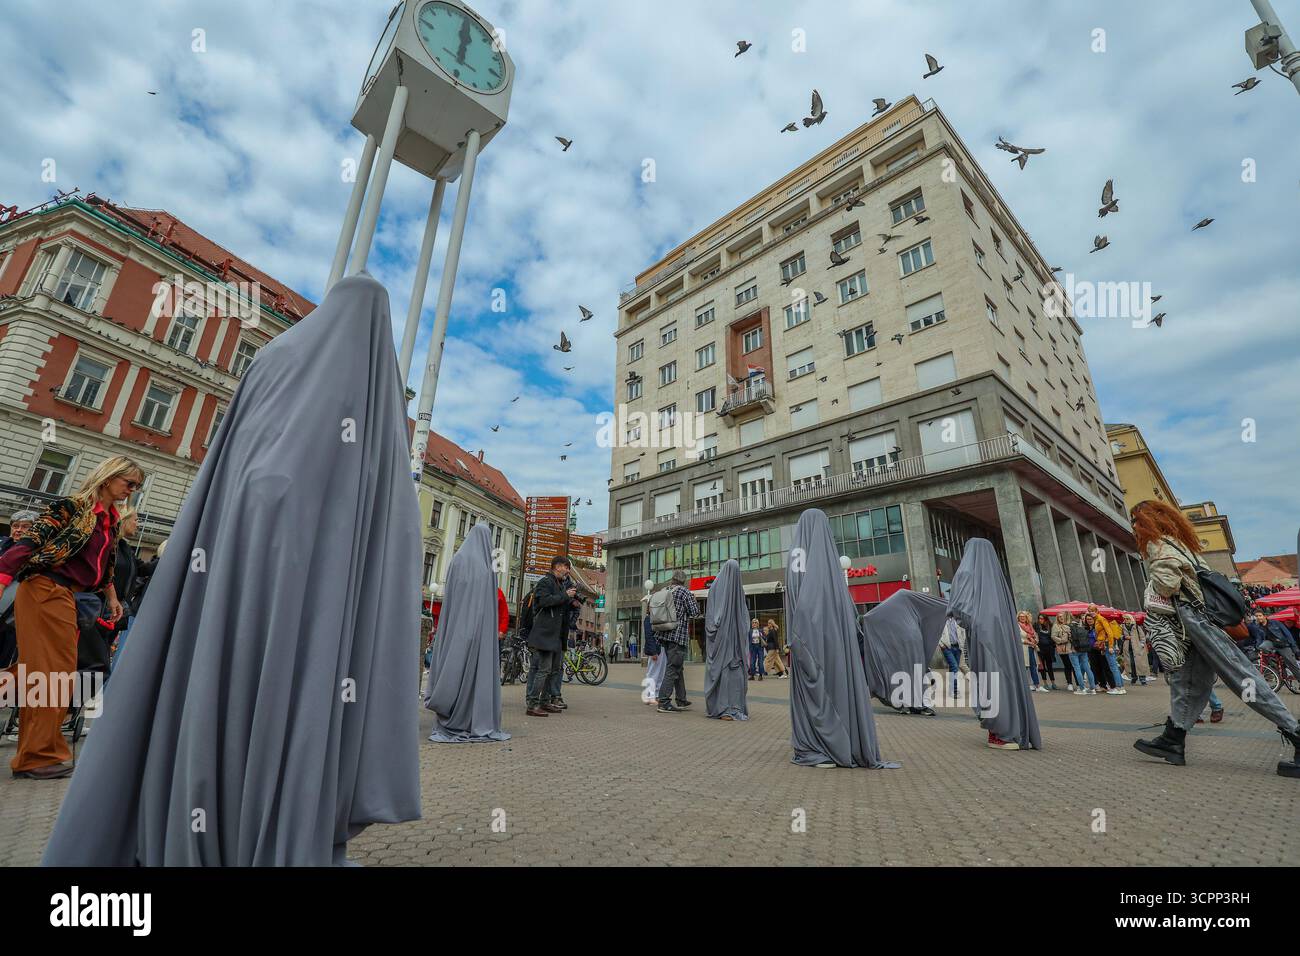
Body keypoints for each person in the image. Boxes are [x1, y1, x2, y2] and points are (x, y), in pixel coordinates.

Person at [42, 275, 423, 866]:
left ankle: (196, 806)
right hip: (306, 576)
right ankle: (274, 817)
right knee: (295, 677)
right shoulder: (371, 393)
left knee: (215, 671)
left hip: (229, 559)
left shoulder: (276, 359)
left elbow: (238, 466)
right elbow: (389, 531)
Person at [1130, 500, 1300, 778]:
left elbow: (1167, 585)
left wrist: (1153, 585)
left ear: (1151, 521)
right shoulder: (1180, 543)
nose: (1135, 526)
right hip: (1197, 617)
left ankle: (1295, 733)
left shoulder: (1158, 544)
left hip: (1193, 617)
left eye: (1137, 520)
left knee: (1239, 674)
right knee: (1190, 678)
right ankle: (1174, 738)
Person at [0, 457, 140, 780]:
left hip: (65, 595)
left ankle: (35, 756)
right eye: (128, 483)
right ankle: (37, 757)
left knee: (40, 672)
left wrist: (112, 597)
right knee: (54, 673)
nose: (131, 491)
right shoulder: (73, 507)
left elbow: (102, 568)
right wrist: (3, 578)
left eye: (135, 486)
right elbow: (29, 542)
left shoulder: (110, 521)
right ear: (108, 477)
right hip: (45, 588)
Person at [786, 509, 897, 768]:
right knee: (835, 688)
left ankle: (818, 744)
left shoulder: (796, 559)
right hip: (831, 643)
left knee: (817, 693)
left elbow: (800, 603)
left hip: (809, 641)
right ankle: (835, 742)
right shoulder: (827, 567)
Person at [948, 539, 1042, 751]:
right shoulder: (998, 581)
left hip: (983, 638)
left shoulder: (966, 574)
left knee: (990, 681)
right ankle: (1014, 729)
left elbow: (959, 607)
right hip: (1003, 639)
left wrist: (970, 623)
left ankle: (999, 732)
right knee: (1006, 680)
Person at [525, 556, 576, 717]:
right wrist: (565, 596)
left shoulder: (559, 584)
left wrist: (570, 601)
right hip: (545, 634)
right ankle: (532, 704)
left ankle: (545, 702)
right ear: (558, 566)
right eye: (566, 567)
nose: (568, 571)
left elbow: (559, 604)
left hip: (556, 635)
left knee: (553, 670)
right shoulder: (545, 582)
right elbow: (544, 601)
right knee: (543, 670)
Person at [703, 559, 749, 720]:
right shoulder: (715, 587)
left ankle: (735, 706)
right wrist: (719, 626)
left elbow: (744, 615)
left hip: (735, 643)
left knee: (736, 674)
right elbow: (711, 616)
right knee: (724, 673)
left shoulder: (738, 590)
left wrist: (741, 630)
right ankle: (723, 708)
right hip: (721, 642)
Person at [652, 570, 699, 713]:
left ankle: (681, 699)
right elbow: (694, 612)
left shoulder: (665, 590)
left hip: (664, 634)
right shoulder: (684, 592)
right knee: (673, 668)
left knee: (678, 667)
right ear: (684, 581)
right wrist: (694, 601)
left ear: (672, 579)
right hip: (678, 636)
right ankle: (664, 702)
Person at [1253, 609, 1300, 688]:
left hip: (1283, 645)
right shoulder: (1258, 627)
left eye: (1260, 615)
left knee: (1292, 664)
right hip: (1272, 645)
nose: (1258, 617)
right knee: (1262, 647)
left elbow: (1288, 634)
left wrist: (1295, 649)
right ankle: (1278, 670)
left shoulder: (1275, 623)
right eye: (1256, 616)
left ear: (1265, 616)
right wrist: (1257, 648)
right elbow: (1259, 639)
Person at [1092, 607, 1126, 695]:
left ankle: (1118, 687)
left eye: (1093, 611)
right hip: (1106, 644)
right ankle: (1121, 687)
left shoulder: (1100, 619)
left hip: (1106, 644)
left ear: (1096, 611)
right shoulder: (1098, 619)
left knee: (1113, 666)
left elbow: (1109, 632)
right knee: (1114, 666)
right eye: (1090, 611)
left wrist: (1110, 646)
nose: (1091, 613)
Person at [1068, 611, 1098, 695]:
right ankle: (1092, 688)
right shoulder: (1085, 626)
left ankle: (1082, 688)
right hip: (1084, 649)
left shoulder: (1070, 626)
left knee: (1077, 668)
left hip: (1074, 649)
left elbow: (1069, 638)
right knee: (1087, 668)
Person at [1018, 611, 1047, 693]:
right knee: (1025, 667)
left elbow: (1035, 634)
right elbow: (1018, 638)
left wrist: (1036, 640)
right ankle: (1024, 686)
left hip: (1032, 648)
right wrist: (1029, 642)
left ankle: (1037, 685)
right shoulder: (1017, 626)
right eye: (1020, 616)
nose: (1022, 618)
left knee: (1033, 666)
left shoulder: (1029, 625)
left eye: (1023, 616)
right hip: (1024, 648)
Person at [1121, 614, 1150, 686]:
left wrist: (1142, 644)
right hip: (1128, 648)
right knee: (1131, 664)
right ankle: (1134, 677)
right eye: (1125, 619)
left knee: (1140, 663)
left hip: (1138, 648)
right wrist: (1124, 637)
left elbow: (1142, 636)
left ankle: (1142, 679)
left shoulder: (1136, 626)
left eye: (1127, 619)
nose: (1126, 620)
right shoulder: (1122, 627)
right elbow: (1120, 636)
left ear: (1131, 619)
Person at [642, 609, 664, 705]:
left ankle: (656, 695)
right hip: (655, 650)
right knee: (653, 674)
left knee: (659, 674)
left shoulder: (655, 618)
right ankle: (649, 696)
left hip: (660, 649)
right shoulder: (648, 619)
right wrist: (653, 652)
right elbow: (649, 636)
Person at [1051, 610, 1077, 690]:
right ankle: (1069, 683)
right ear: (1057, 618)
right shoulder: (1056, 626)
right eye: (1059, 617)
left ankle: (1079, 683)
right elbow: (1053, 636)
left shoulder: (1069, 625)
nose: (1061, 618)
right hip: (1062, 648)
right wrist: (1062, 640)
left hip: (1071, 647)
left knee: (1074, 665)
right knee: (1067, 665)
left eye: (1062, 616)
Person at [1035, 612, 1058, 690]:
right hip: (1040, 649)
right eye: (1039, 618)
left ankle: (1053, 683)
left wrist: (1053, 645)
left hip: (1049, 649)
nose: (1040, 620)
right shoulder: (1036, 626)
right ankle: (1045, 683)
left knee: (1050, 666)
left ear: (1045, 619)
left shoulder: (1050, 626)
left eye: (1042, 618)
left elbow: (1053, 636)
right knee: (1042, 667)